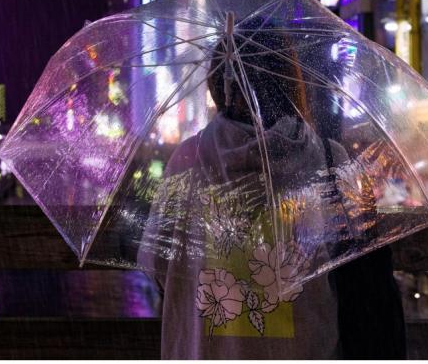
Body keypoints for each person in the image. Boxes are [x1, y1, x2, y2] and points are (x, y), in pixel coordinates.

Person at [138, 22, 406, 359]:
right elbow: (361, 270)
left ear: (219, 86)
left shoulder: (187, 161)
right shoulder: (329, 160)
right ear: (291, 83)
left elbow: (155, 264)